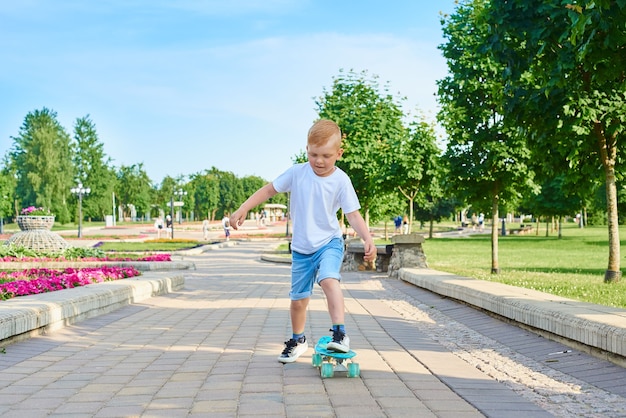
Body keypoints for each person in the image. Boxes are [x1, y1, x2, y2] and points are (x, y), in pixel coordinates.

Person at [230, 119, 376, 363]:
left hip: (329, 242)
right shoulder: (297, 173)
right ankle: (298, 339)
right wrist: (243, 208)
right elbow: (268, 190)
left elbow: (352, 214)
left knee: (329, 280)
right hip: (301, 249)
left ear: (339, 154)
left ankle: (340, 335)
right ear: (306, 149)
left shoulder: (341, 180)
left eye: (326, 156)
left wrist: (367, 237)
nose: (319, 161)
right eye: (313, 154)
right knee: (298, 300)